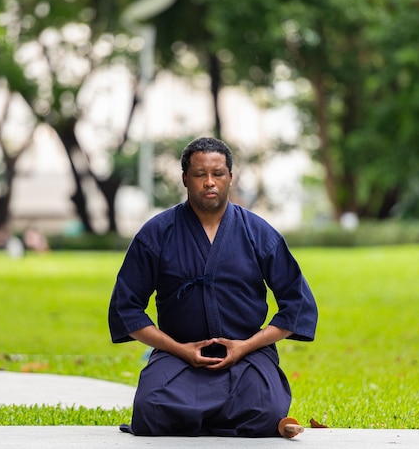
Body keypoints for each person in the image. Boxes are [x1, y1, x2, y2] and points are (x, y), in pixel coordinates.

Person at [108, 137, 318, 438]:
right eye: (199, 174)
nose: (209, 182)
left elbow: (297, 305)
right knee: (150, 410)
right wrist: (180, 349)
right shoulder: (157, 233)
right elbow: (126, 307)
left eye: (218, 174)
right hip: (178, 355)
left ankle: (197, 418)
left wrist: (245, 346)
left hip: (246, 355)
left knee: (267, 410)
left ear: (230, 177)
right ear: (184, 178)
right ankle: (220, 417)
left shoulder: (258, 233)